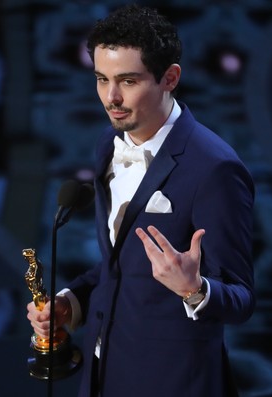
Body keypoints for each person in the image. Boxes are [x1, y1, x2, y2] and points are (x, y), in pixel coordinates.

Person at [27, 4, 255, 396]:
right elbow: (120, 263)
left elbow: (241, 299)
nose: (111, 97)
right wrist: (72, 304)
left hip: (172, 383)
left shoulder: (214, 169)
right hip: (101, 373)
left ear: (170, 78)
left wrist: (194, 289)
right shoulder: (108, 144)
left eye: (128, 81)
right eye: (101, 79)